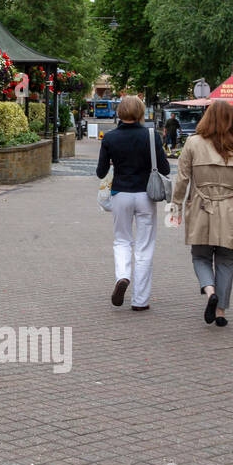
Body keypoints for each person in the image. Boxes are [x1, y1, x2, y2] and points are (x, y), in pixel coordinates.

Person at [170, 99, 233, 328]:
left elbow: (182, 179)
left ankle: (209, 290)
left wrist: (175, 207)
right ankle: (221, 310)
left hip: (201, 207)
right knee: (226, 260)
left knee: (200, 256)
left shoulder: (193, 143)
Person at [96, 95, 170, 311]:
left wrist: (113, 161)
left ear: (119, 112)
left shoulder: (110, 138)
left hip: (120, 194)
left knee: (122, 240)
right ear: (140, 112)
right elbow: (164, 168)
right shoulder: (151, 135)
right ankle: (140, 300)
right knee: (144, 247)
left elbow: (101, 172)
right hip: (146, 194)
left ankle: (122, 276)